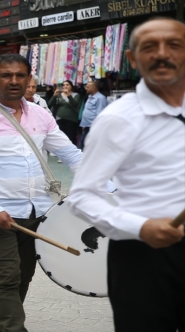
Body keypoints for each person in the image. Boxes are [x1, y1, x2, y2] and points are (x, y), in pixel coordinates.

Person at [68, 17, 185, 332]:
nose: (162, 54)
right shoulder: (118, 119)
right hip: (145, 257)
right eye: (149, 47)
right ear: (133, 59)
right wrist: (141, 226)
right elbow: (81, 197)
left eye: (174, 45)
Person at [0, 53, 83, 332]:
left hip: (38, 214)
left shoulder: (41, 114)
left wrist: (109, 188)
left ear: (28, 79)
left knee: (21, 279)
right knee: (5, 280)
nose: (13, 81)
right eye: (6, 75)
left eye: (20, 75)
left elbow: (71, 155)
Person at [48, 80, 81, 146]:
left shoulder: (76, 95)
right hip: (59, 118)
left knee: (71, 136)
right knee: (61, 136)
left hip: (71, 119)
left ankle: (72, 152)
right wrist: (54, 95)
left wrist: (69, 95)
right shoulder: (59, 95)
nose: (65, 86)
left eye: (67, 85)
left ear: (71, 86)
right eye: (64, 85)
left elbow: (74, 104)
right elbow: (50, 103)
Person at [79, 81, 108, 149]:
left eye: (88, 87)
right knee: (84, 143)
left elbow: (100, 113)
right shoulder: (89, 97)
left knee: (86, 143)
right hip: (87, 125)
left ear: (93, 88)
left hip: (93, 125)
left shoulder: (100, 98)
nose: (86, 88)